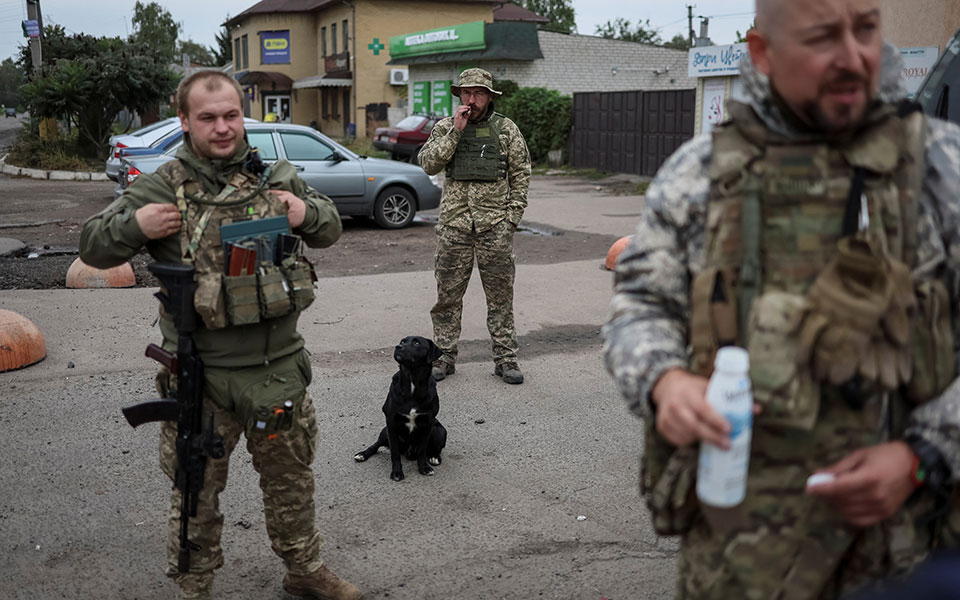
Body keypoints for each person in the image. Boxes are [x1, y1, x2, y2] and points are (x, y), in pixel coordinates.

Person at [603, 0, 960, 598]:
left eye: (867, 29)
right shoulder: (699, 174)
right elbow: (640, 305)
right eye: (823, 37)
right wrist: (665, 381)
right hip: (743, 557)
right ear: (762, 53)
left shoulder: (942, 169)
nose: (854, 57)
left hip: (912, 557)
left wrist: (924, 453)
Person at [80, 71, 362, 600]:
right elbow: (94, 248)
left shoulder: (273, 174)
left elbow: (328, 229)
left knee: (291, 482)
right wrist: (136, 224)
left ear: (243, 114)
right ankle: (195, 586)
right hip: (201, 380)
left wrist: (304, 211)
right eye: (207, 117)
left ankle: (304, 571)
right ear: (183, 120)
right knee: (196, 494)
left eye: (231, 114)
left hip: (277, 371)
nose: (222, 127)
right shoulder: (162, 184)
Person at [418, 68, 532, 385]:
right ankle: (443, 357)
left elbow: (521, 175)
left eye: (478, 93)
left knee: (500, 299)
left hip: (495, 227)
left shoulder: (506, 130)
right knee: (447, 299)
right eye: (466, 93)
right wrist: (456, 131)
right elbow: (428, 163)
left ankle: (506, 359)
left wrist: (512, 218)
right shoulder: (444, 127)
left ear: (489, 96)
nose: (471, 99)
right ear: (459, 96)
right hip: (454, 228)